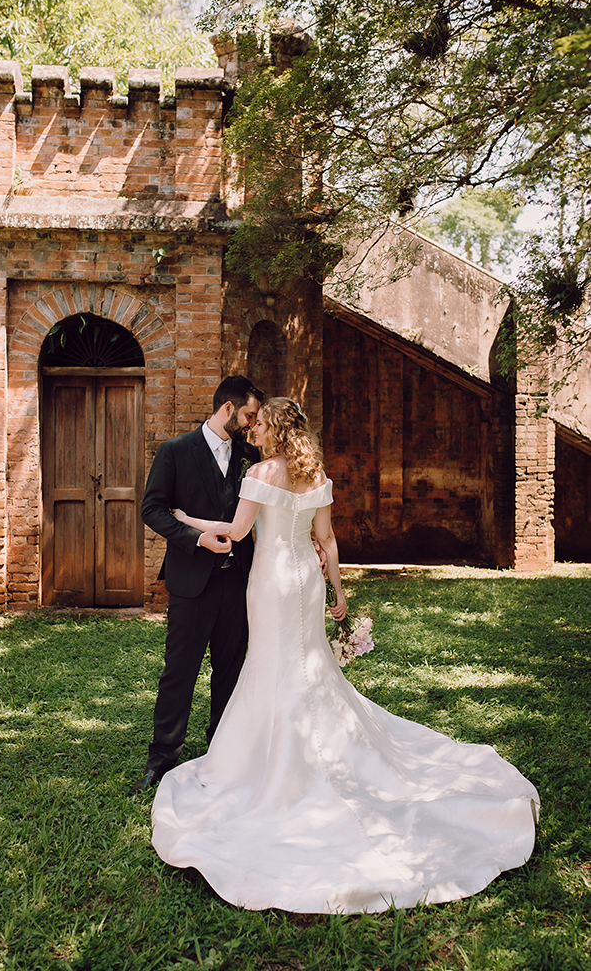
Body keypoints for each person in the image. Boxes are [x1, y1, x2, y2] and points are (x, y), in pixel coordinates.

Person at [150, 397, 540, 914]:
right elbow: (327, 540)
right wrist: (339, 592)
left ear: (278, 430)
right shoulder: (316, 476)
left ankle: (274, 765)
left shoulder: (260, 473)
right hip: (307, 583)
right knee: (308, 667)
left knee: (272, 664)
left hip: (269, 583)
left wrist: (185, 518)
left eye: (261, 423)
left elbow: (238, 533)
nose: (253, 429)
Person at [128, 375, 264, 795]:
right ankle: (162, 759)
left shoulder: (251, 455)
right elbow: (152, 509)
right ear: (227, 408)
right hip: (191, 582)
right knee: (179, 673)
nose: (251, 423)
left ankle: (221, 754)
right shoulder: (175, 451)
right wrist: (195, 538)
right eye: (248, 415)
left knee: (230, 672)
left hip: (239, 582)